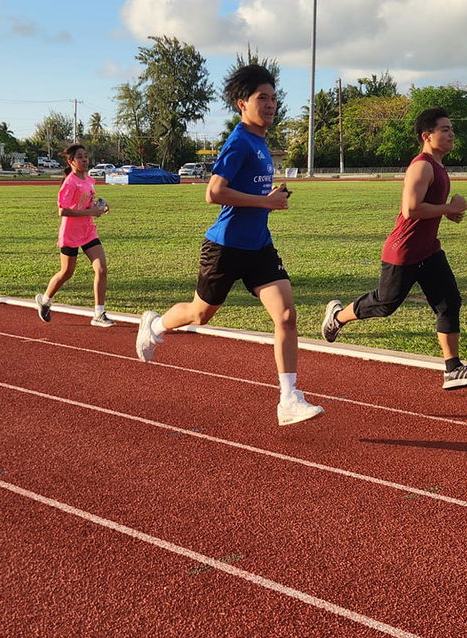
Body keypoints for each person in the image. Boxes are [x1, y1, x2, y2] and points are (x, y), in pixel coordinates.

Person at [133, 63, 324, 426]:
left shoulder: (262, 143)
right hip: (225, 247)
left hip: (259, 247)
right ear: (242, 103)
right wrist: (267, 202)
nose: (269, 104)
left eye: (273, 98)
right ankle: (155, 326)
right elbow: (214, 192)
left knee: (286, 315)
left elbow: (246, 191)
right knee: (199, 313)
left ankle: (289, 398)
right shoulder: (239, 142)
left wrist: (268, 196)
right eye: (261, 98)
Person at [320, 107, 467, 389]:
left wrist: (446, 212)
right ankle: (338, 316)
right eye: (445, 129)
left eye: (452, 128)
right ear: (426, 136)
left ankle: (453, 368)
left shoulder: (438, 167)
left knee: (449, 301)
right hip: (403, 251)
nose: (451, 133)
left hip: (428, 251)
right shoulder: (422, 166)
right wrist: (448, 208)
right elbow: (410, 209)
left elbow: (425, 208)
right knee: (385, 303)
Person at [36, 143, 113, 327]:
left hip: (88, 231)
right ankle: (45, 301)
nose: (84, 159)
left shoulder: (89, 180)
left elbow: (88, 203)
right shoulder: (69, 183)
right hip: (70, 233)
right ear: (70, 161)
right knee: (67, 272)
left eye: (85, 156)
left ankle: (99, 314)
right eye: (80, 157)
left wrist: (102, 205)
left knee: (101, 268)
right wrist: (90, 212)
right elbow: (62, 211)